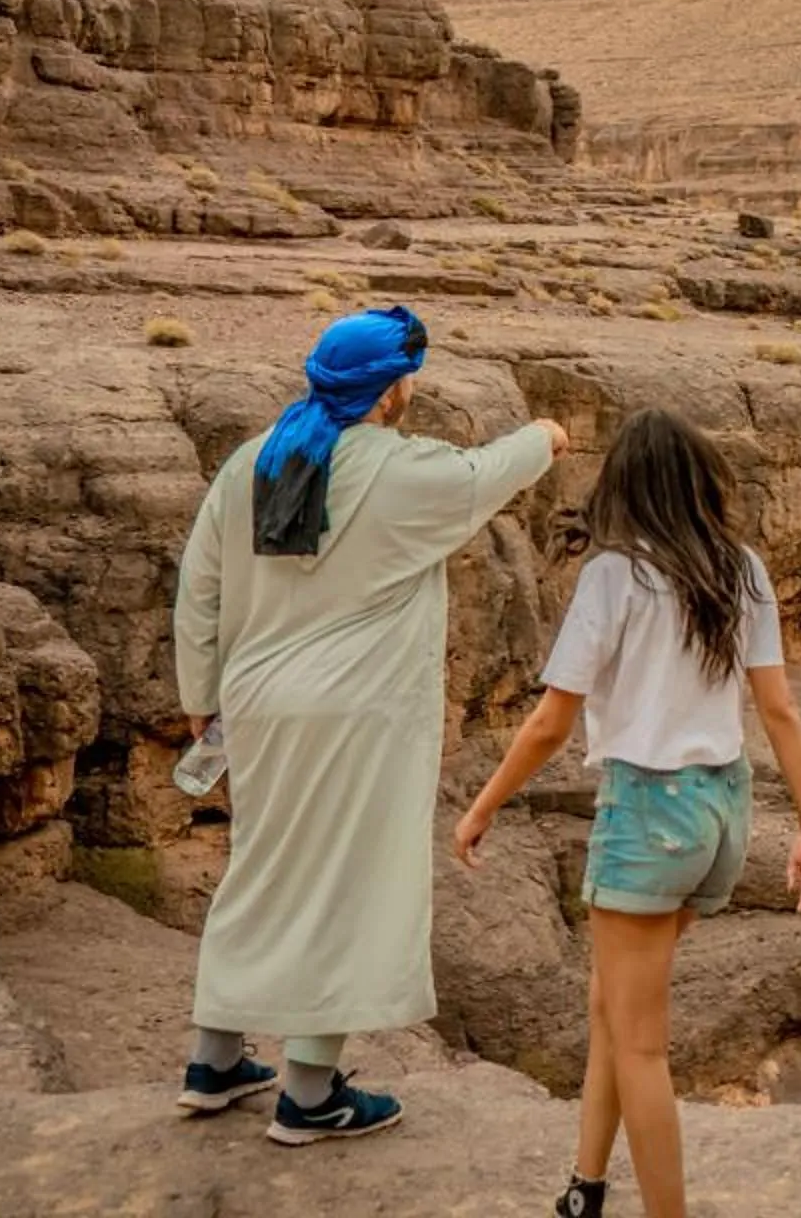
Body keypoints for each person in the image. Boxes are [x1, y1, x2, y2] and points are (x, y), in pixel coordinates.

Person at [171, 304, 569, 1145]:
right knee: (344, 888)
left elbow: (200, 586)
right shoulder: (401, 470)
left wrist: (201, 695)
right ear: (389, 390)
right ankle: (310, 1094)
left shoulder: (253, 463)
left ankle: (214, 1060)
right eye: (409, 376)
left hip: (258, 707)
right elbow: (481, 476)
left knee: (262, 869)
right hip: (357, 719)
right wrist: (545, 435)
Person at [453, 408, 801, 1218]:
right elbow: (780, 711)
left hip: (649, 816)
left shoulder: (614, 576)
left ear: (623, 486)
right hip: (723, 811)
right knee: (610, 1008)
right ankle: (585, 1188)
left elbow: (552, 721)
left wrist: (482, 807)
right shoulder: (743, 569)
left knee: (641, 1045)